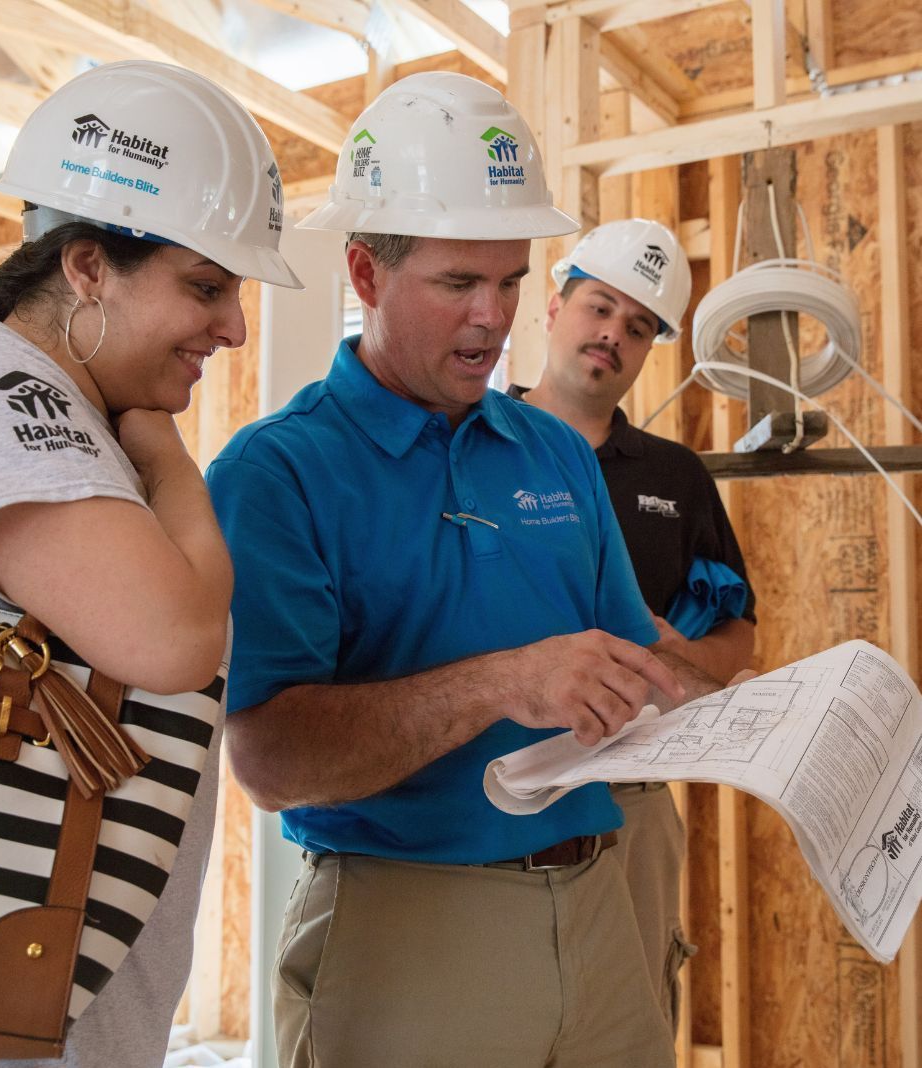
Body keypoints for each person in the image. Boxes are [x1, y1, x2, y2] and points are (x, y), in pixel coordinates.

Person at [207, 73, 733, 1068]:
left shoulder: (553, 455)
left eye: (511, 281)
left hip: (599, 906)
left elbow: (632, 662)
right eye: (458, 283)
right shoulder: (275, 473)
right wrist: (504, 682)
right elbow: (269, 760)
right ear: (363, 275)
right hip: (408, 929)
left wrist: (774, 710)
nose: (492, 319)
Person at [0, 60, 299, 1068]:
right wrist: (167, 455)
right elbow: (171, 638)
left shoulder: (68, 415)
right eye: (205, 285)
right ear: (88, 266)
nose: (232, 327)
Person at [510, 217, 756, 1031]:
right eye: (599, 307)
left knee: (632, 1018)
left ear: (652, 347)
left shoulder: (675, 476)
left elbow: (737, 630)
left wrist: (677, 656)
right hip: (496, 784)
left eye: (639, 326)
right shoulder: (475, 440)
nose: (613, 334)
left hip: (635, 799)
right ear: (554, 308)